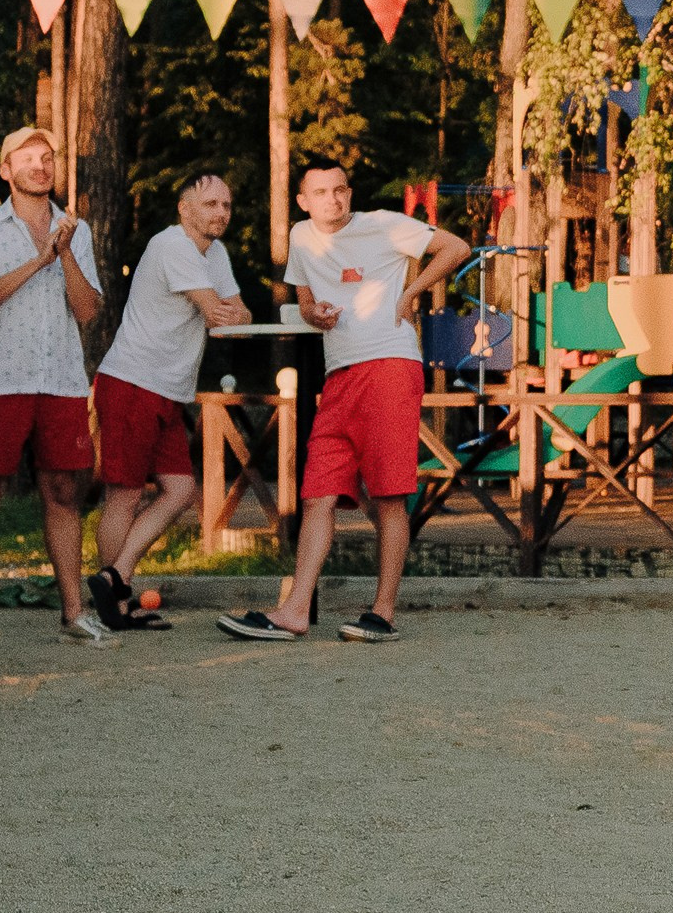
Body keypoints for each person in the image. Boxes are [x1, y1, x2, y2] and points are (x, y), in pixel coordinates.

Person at [218, 158, 468, 644]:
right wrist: (316, 314)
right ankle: (294, 611)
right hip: (339, 374)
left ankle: (382, 613)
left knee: (389, 496)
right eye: (321, 192)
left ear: (349, 193)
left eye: (340, 190)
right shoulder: (301, 236)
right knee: (318, 495)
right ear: (303, 201)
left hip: (390, 365)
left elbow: (456, 247)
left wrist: (412, 292)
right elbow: (306, 301)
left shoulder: (384, 224)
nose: (332, 199)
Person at [0, 127, 114, 655]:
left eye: (47, 158)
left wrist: (64, 254)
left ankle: (74, 614)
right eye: (28, 158)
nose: (40, 166)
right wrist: (41, 259)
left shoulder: (75, 230)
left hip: (59, 379)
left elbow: (86, 310)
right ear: (6, 170)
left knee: (64, 494)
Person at [86, 175, 249, 629]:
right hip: (132, 381)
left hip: (168, 390)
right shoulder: (171, 245)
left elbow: (241, 313)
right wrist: (224, 309)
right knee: (124, 495)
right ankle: (116, 604)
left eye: (226, 205)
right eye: (210, 204)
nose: (221, 213)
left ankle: (114, 577)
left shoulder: (215, 253)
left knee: (179, 490)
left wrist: (227, 310)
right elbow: (217, 314)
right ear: (184, 208)